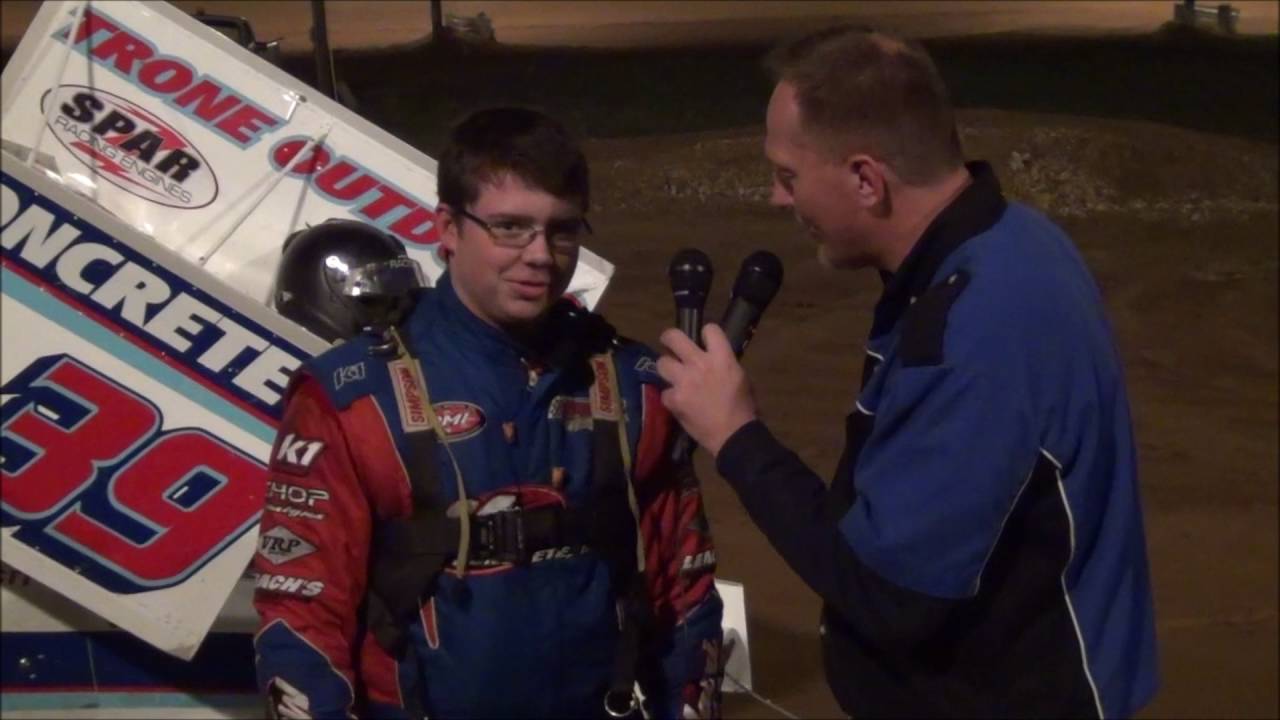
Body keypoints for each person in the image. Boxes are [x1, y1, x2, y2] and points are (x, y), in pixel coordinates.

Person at [656, 26, 1158, 718]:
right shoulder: (1010, 241)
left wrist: (738, 437)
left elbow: (887, 591)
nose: (778, 199)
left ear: (865, 179)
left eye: (788, 175)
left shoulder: (980, 325)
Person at [253, 107, 724, 719]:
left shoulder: (633, 386)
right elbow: (302, 617)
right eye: (510, 228)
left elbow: (684, 596)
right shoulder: (351, 397)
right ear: (447, 228)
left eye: (561, 231)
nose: (540, 256)